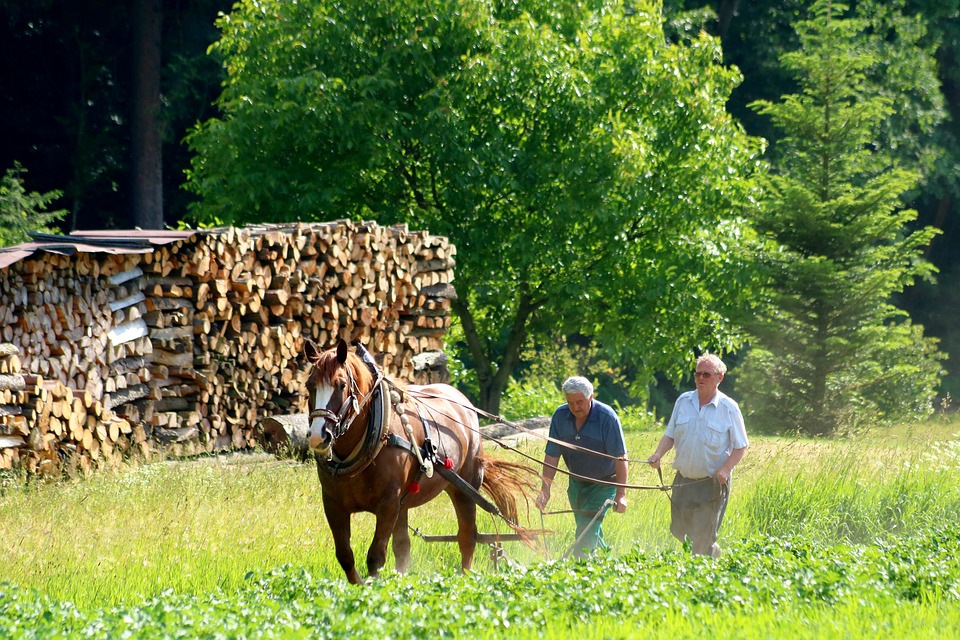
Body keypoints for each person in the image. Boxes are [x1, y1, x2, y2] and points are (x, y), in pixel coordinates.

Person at [648, 353, 748, 558]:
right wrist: (658, 454)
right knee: (680, 531)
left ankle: (698, 571)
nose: (701, 378)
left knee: (702, 536)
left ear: (719, 378)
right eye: (698, 374)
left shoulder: (729, 408)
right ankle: (712, 555)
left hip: (712, 484)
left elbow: (741, 447)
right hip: (683, 482)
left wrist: (726, 469)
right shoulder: (683, 401)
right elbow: (670, 435)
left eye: (707, 374)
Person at [536, 376, 628, 557]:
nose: (575, 407)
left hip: (603, 485)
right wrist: (545, 490)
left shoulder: (607, 418)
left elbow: (621, 457)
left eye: (580, 402)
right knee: (588, 529)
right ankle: (606, 564)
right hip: (577, 484)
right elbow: (552, 455)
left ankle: (577, 567)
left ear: (591, 397)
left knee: (586, 532)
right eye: (570, 402)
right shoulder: (560, 417)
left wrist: (621, 494)